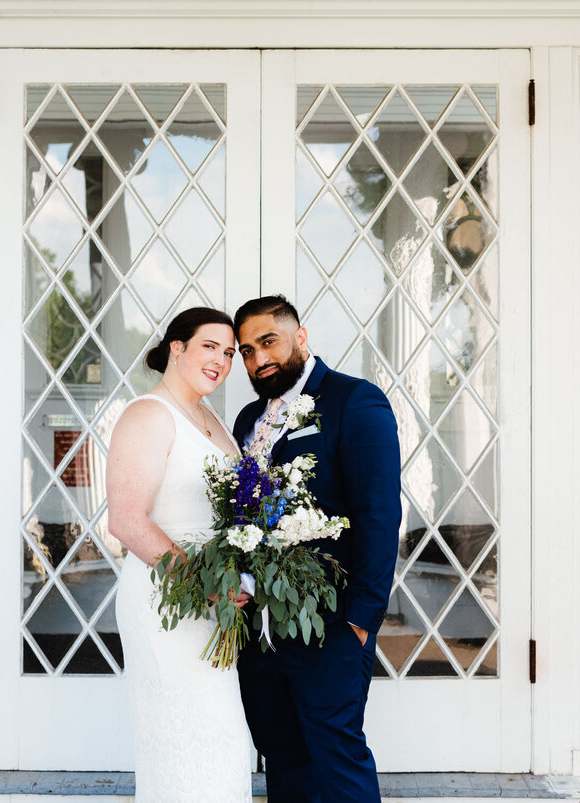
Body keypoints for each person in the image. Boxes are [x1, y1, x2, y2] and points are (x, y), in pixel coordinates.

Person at [232, 295, 401, 803]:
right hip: (259, 630)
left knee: (337, 756)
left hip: (330, 624)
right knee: (282, 758)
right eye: (245, 351)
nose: (258, 360)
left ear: (300, 337)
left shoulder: (356, 401)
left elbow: (378, 515)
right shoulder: (246, 420)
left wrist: (361, 620)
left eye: (268, 343)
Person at [106, 306, 253, 803]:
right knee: (182, 737)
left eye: (230, 353)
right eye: (210, 346)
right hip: (168, 598)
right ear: (177, 347)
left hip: (216, 601)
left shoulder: (213, 420)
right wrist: (208, 585)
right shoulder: (148, 414)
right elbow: (127, 521)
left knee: (225, 740)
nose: (222, 360)